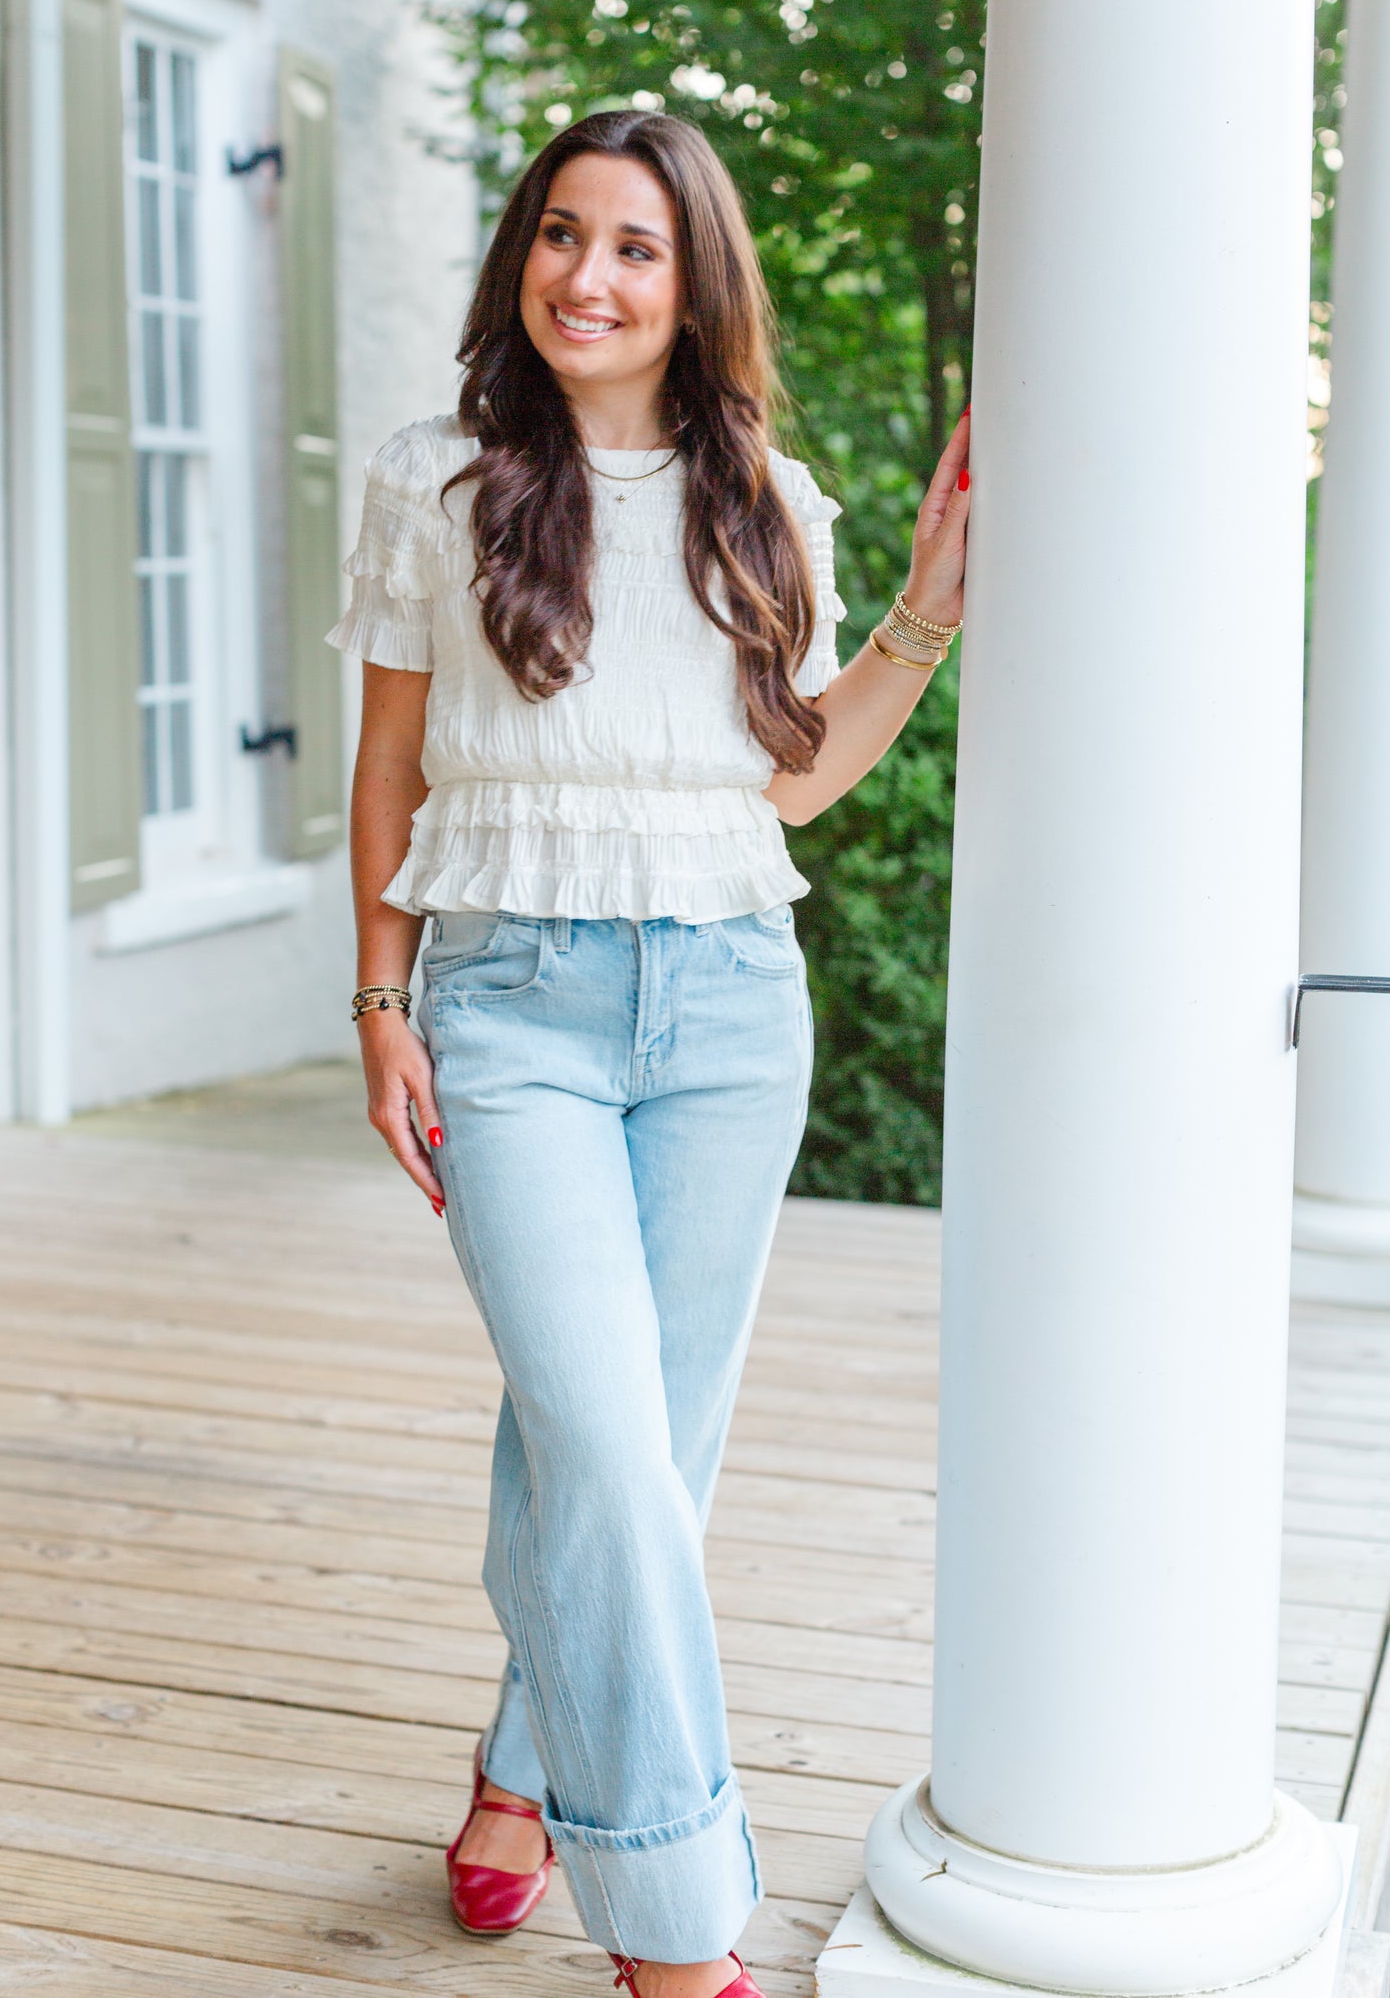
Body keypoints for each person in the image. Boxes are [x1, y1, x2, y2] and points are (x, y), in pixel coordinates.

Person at [328, 108, 970, 1998]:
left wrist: (927, 608)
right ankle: (683, 1938)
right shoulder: (434, 479)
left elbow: (793, 781)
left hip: (725, 1006)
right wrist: (379, 1004)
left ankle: (526, 1764)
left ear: (693, 287)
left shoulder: (761, 491)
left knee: (636, 1461)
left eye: (630, 249)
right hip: (506, 1001)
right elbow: (386, 765)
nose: (581, 278)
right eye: (557, 234)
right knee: (604, 1445)